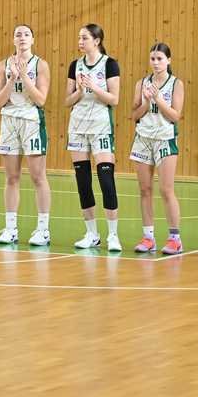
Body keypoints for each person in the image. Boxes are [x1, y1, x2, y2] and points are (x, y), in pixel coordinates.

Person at [65, 23, 122, 251]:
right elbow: (67, 100)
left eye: (85, 38)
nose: (80, 42)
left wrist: (93, 87)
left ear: (97, 41)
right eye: (79, 38)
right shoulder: (75, 65)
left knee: (106, 180)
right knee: (83, 181)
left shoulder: (109, 64)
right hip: (78, 125)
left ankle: (113, 235)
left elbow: (114, 99)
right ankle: (91, 234)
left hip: (100, 126)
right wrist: (79, 91)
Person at [0, 24, 53, 246]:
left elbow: (41, 99)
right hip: (9, 120)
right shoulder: (3, 65)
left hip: (31, 121)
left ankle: (43, 230)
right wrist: (12, 78)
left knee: (38, 176)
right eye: (18, 34)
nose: (22, 38)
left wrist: (24, 76)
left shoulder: (41, 65)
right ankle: (11, 229)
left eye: (26, 34)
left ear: (33, 39)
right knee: (11, 177)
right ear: (13, 39)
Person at [129, 43, 185, 254]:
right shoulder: (142, 83)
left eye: (160, 58)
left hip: (165, 138)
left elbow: (175, 116)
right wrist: (146, 102)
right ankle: (148, 237)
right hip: (143, 138)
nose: (155, 62)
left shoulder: (176, 84)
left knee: (166, 189)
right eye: (152, 58)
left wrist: (159, 100)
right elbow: (134, 115)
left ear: (168, 60)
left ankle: (175, 239)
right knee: (145, 189)